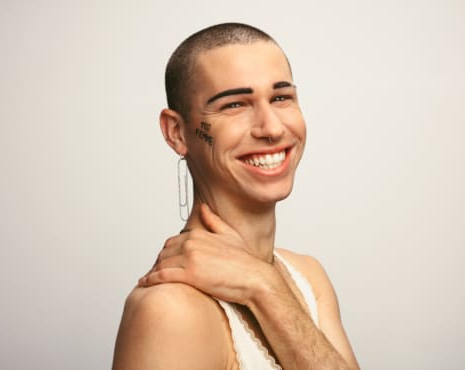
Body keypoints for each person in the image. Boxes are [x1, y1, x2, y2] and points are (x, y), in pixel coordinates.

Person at [112, 23, 359, 370]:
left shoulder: (308, 277)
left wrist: (263, 286)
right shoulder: (171, 309)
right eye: (234, 105)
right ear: (177, 132)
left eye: (281, 97)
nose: (272, 128)